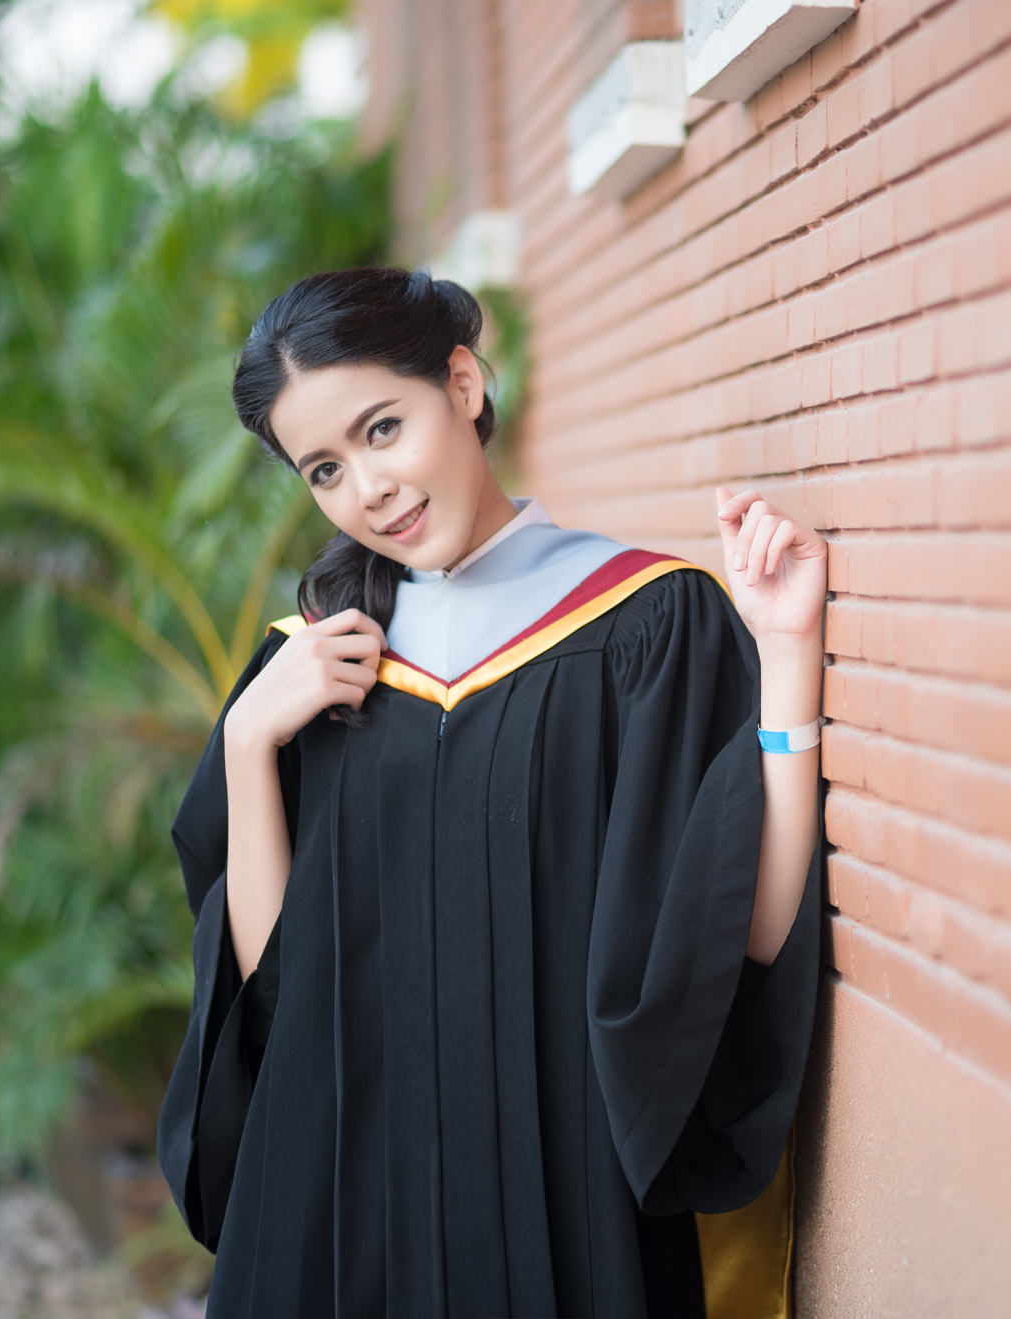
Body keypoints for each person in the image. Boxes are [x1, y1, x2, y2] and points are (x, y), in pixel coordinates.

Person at [155, 266, 828, 1317]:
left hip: (557, 1213)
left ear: (462, 383)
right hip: (336, 1215)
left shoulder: (643, 626)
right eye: (323, 467)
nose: (365, 487)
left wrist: (785, 658)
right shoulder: (317, 669)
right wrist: (247, 743)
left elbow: (735, 933)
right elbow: (272, 991)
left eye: (382, 428)